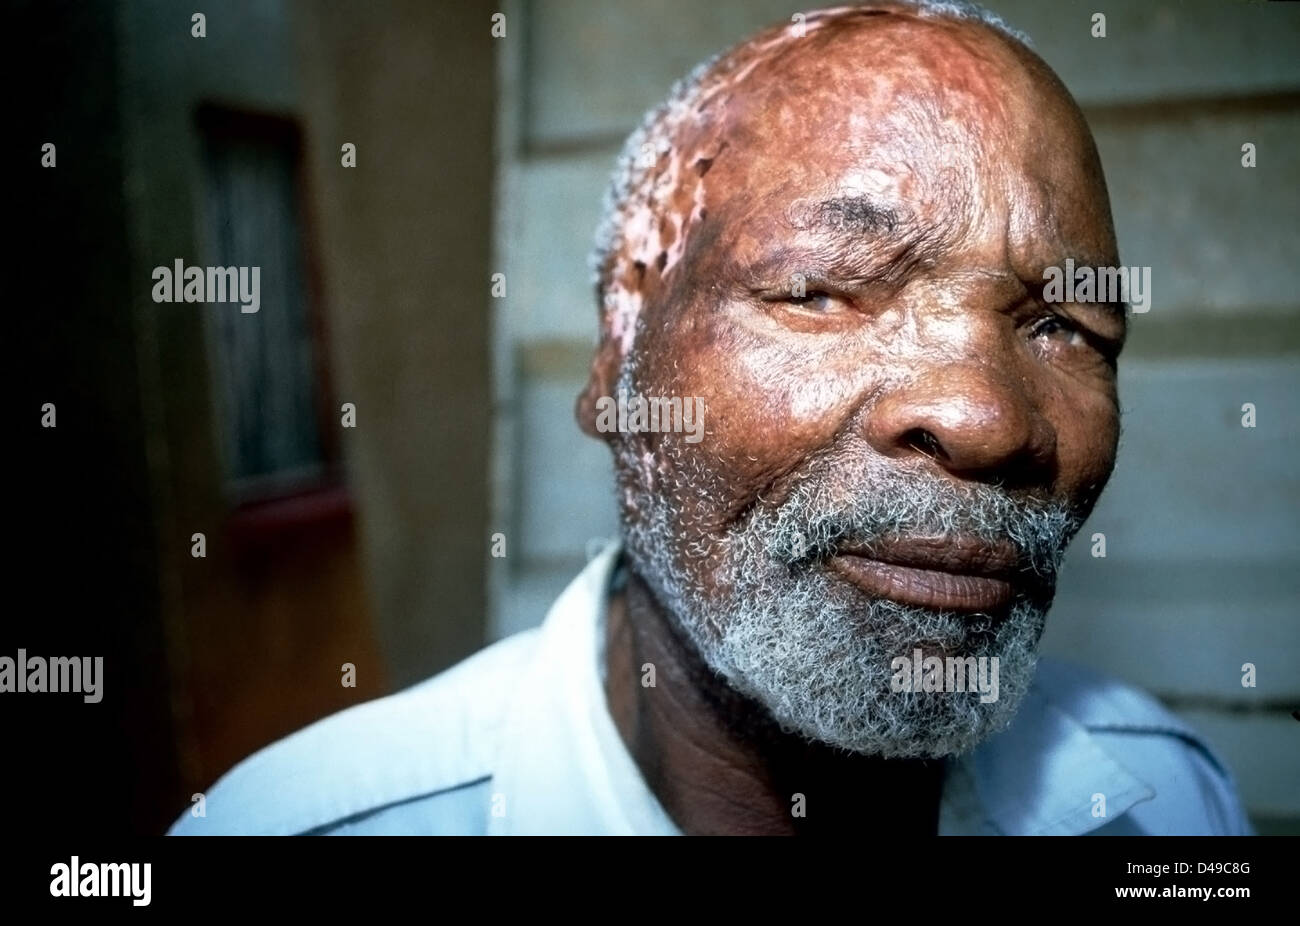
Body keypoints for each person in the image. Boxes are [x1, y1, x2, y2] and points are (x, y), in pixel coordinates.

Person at [170, 1, 1250, 836]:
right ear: (621, 344)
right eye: (823, 288)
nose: (983, 414)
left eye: (1065, 325)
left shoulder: (1163, 798)